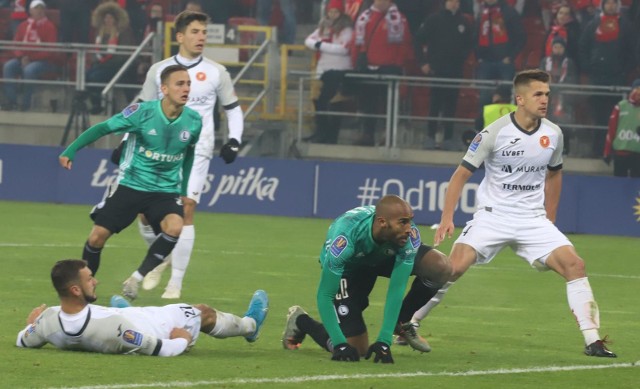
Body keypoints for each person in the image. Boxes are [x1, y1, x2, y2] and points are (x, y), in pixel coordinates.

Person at [421, 69, 616, 358]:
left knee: (575, 265)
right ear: (520, 99)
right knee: (452, 268)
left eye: (547, 94)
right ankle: (408, 323)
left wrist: (549, 218)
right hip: (493, 215)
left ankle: (593, 340)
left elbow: (554, 175)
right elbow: (461, 175)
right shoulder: (493, 132)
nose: (544, 100)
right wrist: (448, 217)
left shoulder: (553, 133)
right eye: (538, 94)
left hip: (532, 219)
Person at [124, 10, 244, 300]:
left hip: (196, 149)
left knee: (186, 207)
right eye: (195, 31)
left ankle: (175, 283)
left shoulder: (217, 72)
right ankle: (160, 257)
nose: (201, 36)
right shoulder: (159, 70)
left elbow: (232, 108)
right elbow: (140, 107)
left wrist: (234, 139)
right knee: (143, 212)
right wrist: (125, 139)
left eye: (204, 32)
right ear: (179, 36)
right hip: (155, 150)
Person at [59, 65, 202, 301]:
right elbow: (104, 128)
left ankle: (135, 278)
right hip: (132, 185)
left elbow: (189, 154)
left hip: (164, 192)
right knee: (96, 238)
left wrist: (184, 189)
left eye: (188, 84)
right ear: (164, 89)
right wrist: (72, 149)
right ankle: (87, 288)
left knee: (175, 227)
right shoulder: (141, 113)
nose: (186, 88)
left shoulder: (194, 120)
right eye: (180, 84)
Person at [281, 195, 451, 362]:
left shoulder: (407, 236)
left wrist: (384, 340)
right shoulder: (345, 240)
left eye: (410, 220)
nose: (410, 228)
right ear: (383, 222)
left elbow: (397, 288)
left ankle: (401, 322)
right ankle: (300, 321)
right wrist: (340, 344)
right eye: (403, 222)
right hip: (350, 268)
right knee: (356, 348)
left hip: (383, 256)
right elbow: (324, 295)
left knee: (440, 267)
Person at [16, 259, 269, 356]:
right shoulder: (115, 329)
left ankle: (126, 308)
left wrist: (31, 325)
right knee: (202, 312)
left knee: (117, 307)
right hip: (156, 327)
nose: (96, 280)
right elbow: (159, 349)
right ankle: (250, 326)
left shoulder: (47, 322)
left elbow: (21, 341)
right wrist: (181, 341)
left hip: (123, 317)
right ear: (75, 290)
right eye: (90, 278)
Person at [351, 0, 414, 146]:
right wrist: (356, 63)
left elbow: (404, 43)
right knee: (368, 104)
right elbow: (357, 42)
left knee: (389, 105)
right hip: (368, 67)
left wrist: (398, 63)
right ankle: (368, 134)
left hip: (390, 68)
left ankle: (388, 135)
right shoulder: (365, 17)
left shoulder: (399, 19)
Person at [414, 0, 473, 150]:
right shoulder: (434, 19)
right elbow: (418, 40)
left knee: (451, 106)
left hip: (455, 71)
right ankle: (430, 136)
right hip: (437, 70)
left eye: (457, 1)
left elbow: (469, 44)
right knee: (435, 105)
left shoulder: (463, 22)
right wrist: (423, 63)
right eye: (452, 1)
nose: (455, 4)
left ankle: (448, 138)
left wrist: (461, 57)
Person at [579, 0, 635, 156]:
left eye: (613, 3)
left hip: (617, 79)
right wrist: (588, 67)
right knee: (598, 117)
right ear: (602, 5)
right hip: (597, 79)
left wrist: (623, 71)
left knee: (616, 118)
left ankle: (613, 151)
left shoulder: (626, 25)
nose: (610, 6)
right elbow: (582, 47)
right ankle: (597, 151)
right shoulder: (593, 24)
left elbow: (634, 51)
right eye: (608, 3)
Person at [304, 0, 354, 144]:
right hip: (323, 70)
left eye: (336, 12)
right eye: (330, 11)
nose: (332, 15)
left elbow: (344, 49)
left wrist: (320, 45)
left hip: (339, 71)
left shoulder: (346, 29)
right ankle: (321, 132)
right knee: (318, 102)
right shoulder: (323, 26)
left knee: (332, 103)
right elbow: (308, 40)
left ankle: (330, 136)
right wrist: (324, 45)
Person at [2, 0, 60, 111]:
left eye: (41, 8)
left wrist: (31, 58)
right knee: (8, 66)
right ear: (30, 10)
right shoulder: (23, 25)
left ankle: (25, 104)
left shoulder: (50, 26)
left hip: (44, 61)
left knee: (30, 70)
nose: (39, 11)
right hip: (24, 58)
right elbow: (15, 44)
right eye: (36, 8)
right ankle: (12, 102)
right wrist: (21, 57)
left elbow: (50, 50)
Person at [85, 1, 136, 114]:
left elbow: (123, 54)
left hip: (118, 67)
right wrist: (97, 62)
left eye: (110, 18)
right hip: (101, 65)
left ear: (116, 20)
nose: (108, 21)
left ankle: (102, 104)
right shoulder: (100, 33)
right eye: (106, 18)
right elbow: (95, 51)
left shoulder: (123, 32)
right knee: (86, 75)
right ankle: (96, 103)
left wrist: (104, 64)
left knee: (95, 76)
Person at [474, 0, 525, 108]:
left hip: (504, 62)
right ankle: (483, 124)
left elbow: (521, 37)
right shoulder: (481, 13)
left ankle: (504, 124)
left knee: (504, 97)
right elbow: (475, 35)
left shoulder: (509, 11)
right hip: (485, 62)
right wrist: (478, 56)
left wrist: (510, 57)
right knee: (484, 98)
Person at [603, 78, 640, 177]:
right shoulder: (621, 106)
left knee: (636, 186)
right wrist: (607, 151)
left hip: (638, 154)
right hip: (621, 152)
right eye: (636, 89)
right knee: (619, 184)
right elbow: (611, 130)